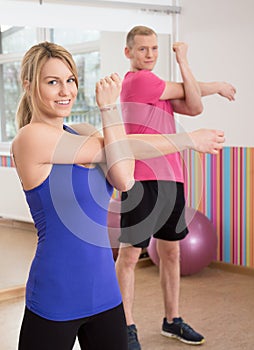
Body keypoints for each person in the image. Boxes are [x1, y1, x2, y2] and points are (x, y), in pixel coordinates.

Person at [11, 41, 225, 350]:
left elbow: (124, 178)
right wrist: (111, 110)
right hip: (56, 294)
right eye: (52, 82)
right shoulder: (29, 138)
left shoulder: (81, 129)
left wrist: (189, 139)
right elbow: (113, 147)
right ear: (29, 85)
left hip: (106, 294)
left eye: (70, 80)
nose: (65, 91)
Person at [115, 25, 236, 350]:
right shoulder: (139, 81)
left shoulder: (159, 93)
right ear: (128, 53)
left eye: (154, 49)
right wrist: (201, 73)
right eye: (142, 49)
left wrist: (187, 66)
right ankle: (124, 326)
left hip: (172, 177)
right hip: (142, 177)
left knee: (171, 252)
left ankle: (172, 320)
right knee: (129, 256)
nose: (150, 55)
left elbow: (194, 105)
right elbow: (190, 91)